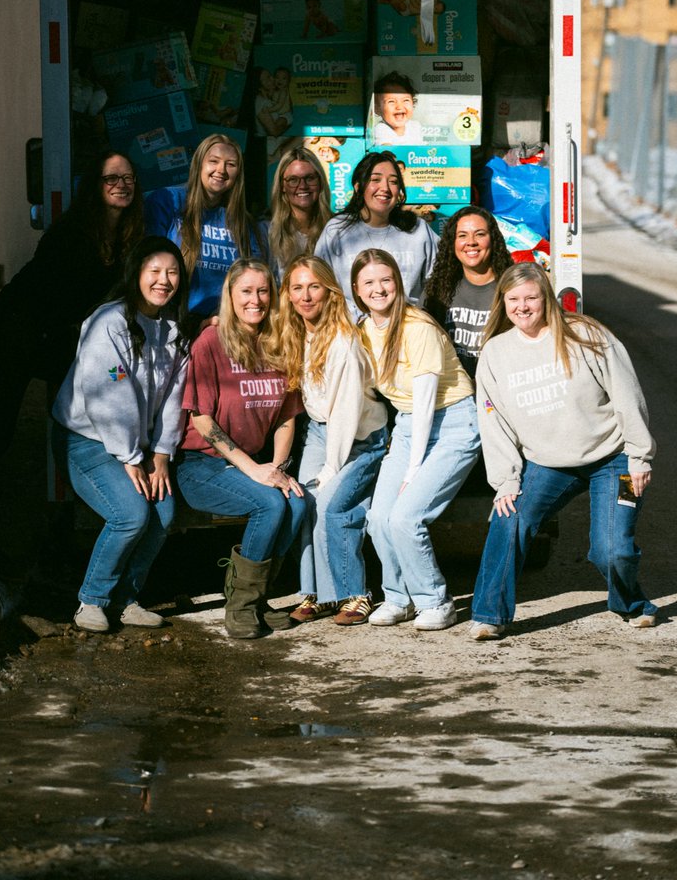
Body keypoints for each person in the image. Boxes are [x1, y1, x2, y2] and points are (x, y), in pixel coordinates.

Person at [0, 149, 145, 575]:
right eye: (110, 178)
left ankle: (68, 525)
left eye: (128, 178)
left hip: (55, 341)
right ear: (93, 188)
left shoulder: (128, 238)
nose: (121, 185)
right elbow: (55, 302)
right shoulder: (72, 234)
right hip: (10, 336)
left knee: (74, 426)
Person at [469, 263, 659, 640]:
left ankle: (631, 602)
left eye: (531, 298)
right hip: (548, 462)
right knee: (509, 519)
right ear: (503, 302)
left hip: (614, 457)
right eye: (513, 299)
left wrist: (640, 455)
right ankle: (490, 614)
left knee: (611, 551)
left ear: (547, 299)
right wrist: (506, 480)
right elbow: (494, 422)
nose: (522, 307)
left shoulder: (585, 335)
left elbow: (627, 395)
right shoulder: (496, 353)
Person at [51, 236, 191, 633]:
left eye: (172, 273)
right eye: (154, 271)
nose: (164, 280)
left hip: (138, 448)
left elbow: (173, 398)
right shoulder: (108, 323)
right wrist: (131, 457)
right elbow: (109, 394)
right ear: (136, 274)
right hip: (87, 442)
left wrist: (161, 454)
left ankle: (125, 598)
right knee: (130, 514)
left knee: (163, 513)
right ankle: (91, 600)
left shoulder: (172, 332)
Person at [176, 259, 307, 639]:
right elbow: (202, 420)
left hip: (251, 463)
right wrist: (255, 470)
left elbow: (287, 417)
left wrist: (278, 468)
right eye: (246, 291)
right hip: (201, 464)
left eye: (263, 291)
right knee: (268, 504)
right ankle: (241, 606)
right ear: (230, 297)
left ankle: (258, 598)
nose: (256, 300)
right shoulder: (211, 342)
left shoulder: (279, 342)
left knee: (296, 503)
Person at [352, 249, 480, 631]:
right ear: (357, 291)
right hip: (409, 426)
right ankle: (399, 598)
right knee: (378, 518)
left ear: (399, 282)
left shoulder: (417, 327)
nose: (379, 289)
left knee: (407, 517)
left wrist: (412, 468)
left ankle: (436, 602)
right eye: (369, 283)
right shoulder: (363, 330)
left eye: (386, 280)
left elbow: (426, 404)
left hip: (453, 422)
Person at [275, 257, 388, 627]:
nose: (306, 296)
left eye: (314, 287)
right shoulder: (296, 333)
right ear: (288, 295)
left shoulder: (344, 342)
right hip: (321, 432)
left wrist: (331, 469)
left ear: (330, 292)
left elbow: (345, 414)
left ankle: (355, 594)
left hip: (359, 438)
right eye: (297, 288)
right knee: (302, 502)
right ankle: (317, 594)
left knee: (329, 502)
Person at [145, 133, 265, 327]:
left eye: (231, 164)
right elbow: (148, 267)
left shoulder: (243, 222)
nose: (221, 170)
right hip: (168, 325)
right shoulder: (167, 201)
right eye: (214, 161)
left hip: (221, 327)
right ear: (199, 164)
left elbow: (254, 279)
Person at [315, 150, 439, 318]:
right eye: (375, 180)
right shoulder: (337, 230)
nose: (385, 188)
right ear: (358, 186)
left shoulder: (418, 230)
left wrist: (418, 317)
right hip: (353, 333)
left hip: (407, 331)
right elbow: (321, 285)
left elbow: (439, 279)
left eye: (394, 182)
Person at [423, 205, 513, 379]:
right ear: (452, 242)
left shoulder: (511, 288)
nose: (471, 242)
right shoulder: (437, 288)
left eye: (480, 234)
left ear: (493, 239)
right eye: (462, 235)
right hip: (453, 392)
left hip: (498, 385)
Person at [266, 147, 332, 283]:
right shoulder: (267, 231)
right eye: (293, 180)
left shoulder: (335, 229)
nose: (302, 186)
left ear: (320, 182)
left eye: (310, 178)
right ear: (282, 186)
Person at [371, 72, 423, 147]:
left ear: (413, 103)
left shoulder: (415, 126)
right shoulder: (381, 129)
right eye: (391, 101)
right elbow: (387, 152)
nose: (399, 106)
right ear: (377, 109)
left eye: (405, 100)